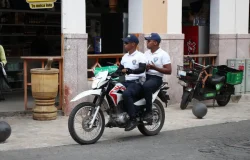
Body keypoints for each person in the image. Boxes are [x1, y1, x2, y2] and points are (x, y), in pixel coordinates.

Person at [107, 34, 146, 131]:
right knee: (109, 88)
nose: (124, 44)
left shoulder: (140, 56)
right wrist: (109, 75)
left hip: (137, 82)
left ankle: (133, 119)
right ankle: (114, 115)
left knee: (126, 94)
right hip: (126, 81)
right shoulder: (125, 56)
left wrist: (130, 71)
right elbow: (120, 70)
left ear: (133, 44)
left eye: (126, 43)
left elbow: (142, 69)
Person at [143, 33, 172, 121]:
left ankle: (149, 112)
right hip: (145, 76)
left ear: (155, 42)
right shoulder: (146, 53)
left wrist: (154, 67)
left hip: (156, 78)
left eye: (149, 41)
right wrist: (145, 68)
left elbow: (169, 70)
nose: (147, 42)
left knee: (146, 87)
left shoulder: (163, 54)